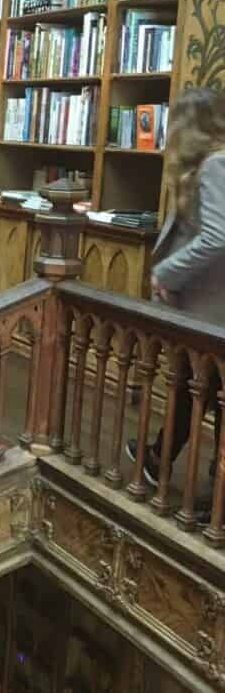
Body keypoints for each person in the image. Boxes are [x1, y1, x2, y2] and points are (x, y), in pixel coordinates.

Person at [128, 87, 225, 521]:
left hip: (214, 308)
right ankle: (158, 456)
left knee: (207, 391)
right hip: (204, 306)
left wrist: (166, 273)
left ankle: (211, 489)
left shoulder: (217, 166)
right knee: (195, 387)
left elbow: (218, 237)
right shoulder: (204, 168)